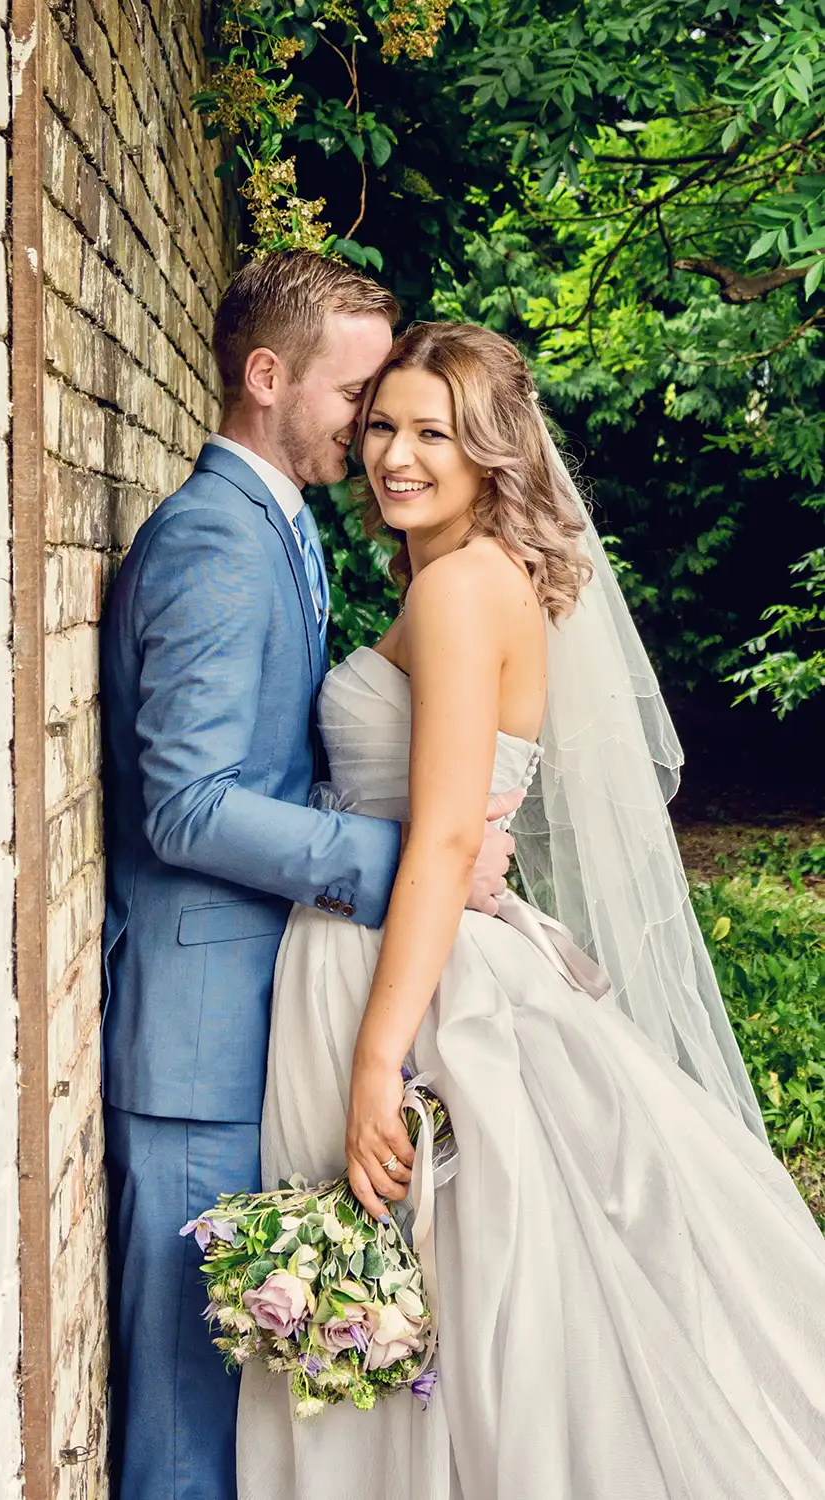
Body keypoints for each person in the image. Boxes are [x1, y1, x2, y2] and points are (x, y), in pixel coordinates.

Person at [237, 321, 825, 1500]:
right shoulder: (475, 573)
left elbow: (450, 835)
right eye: (385, 427)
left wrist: (376, 1060)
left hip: (418, 983)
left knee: (477, 1308)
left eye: (433, 434)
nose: (396, 456)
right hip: (436, 953)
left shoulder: (461, 588)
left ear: (493, 450)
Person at [99, 256, 520, 1500]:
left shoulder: (282, 526)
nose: (372, 425)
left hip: (256, 1030)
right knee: (187, 1430)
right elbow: (187, 804)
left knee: (247, 1414)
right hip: (198, 1047)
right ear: (267, 377)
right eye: (357, 396)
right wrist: (411, 861)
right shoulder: (216, 542)